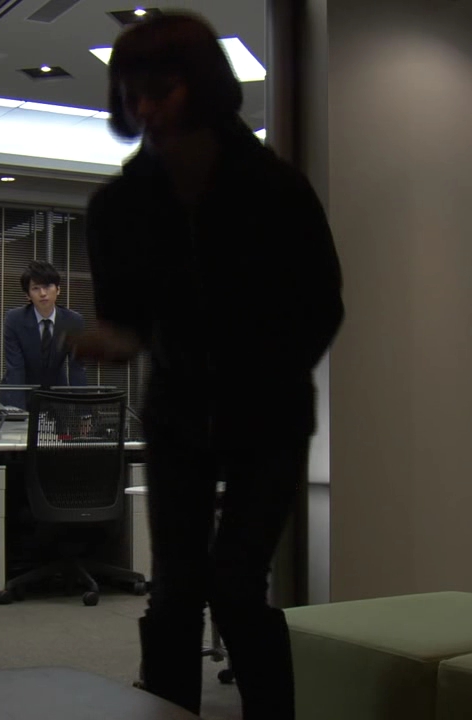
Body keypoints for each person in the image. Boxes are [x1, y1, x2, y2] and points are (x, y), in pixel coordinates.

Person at [70, 12, 343, 720]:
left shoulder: (275, 190)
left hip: (270, 412)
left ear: (201, 86)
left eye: (160, 90)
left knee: (236, 582)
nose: (145, 109)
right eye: (132, 96)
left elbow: (322, 307)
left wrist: (262, 371)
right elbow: (128, 320)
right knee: (174, 587)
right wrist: (115, 339)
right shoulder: (119, 207)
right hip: (178, 412)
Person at [1, 260, 87, 410]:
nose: (42, 293)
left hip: (57, 395)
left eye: (47, 286)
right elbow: (15, 368)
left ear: (58, 289)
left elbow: (77, 368)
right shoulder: (15, 319)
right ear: (28, 295)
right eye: (35, 288)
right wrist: (17, 413)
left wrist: (84, 412)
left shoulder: (73, 321)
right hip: (21, 393)